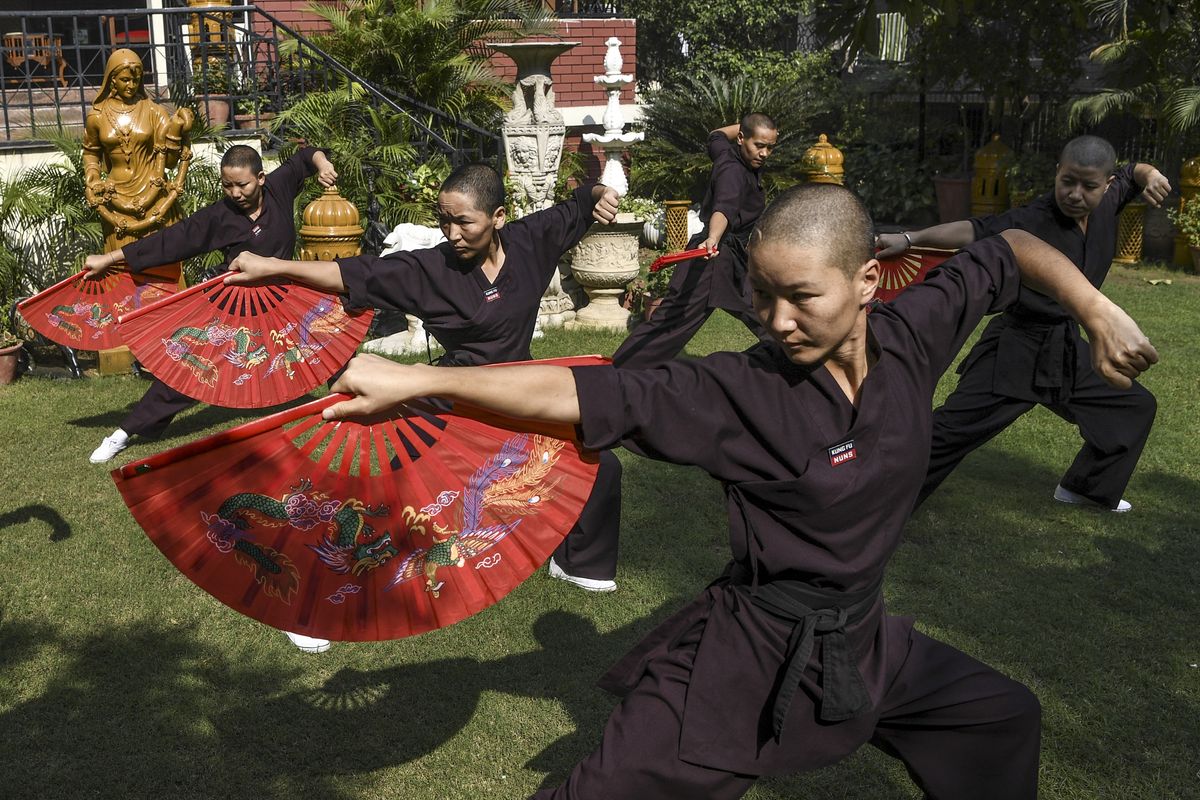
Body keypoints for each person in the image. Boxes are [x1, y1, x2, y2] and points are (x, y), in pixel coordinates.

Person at [309, 183, 1156, 798]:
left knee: (999, 718)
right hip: (749, 657)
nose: (777, 320)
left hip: (863, 639)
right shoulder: (742, 391)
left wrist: (1096, 308)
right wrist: (423, 379)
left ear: (867, 283)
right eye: (762, 295)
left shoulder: (912, 336)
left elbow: (1009, 249)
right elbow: (591, 392)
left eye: (802, 297)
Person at [225, 164, 626, 600]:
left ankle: (576, 563)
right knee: (409, 501)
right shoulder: (431, 269)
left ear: (498, 217)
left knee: (602, 465)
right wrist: (272, 266)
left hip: (522, 394)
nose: (452, 234)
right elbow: (354, 274)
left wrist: (599, 193)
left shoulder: (531, 240)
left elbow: (578, 205)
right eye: (444, 221)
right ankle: (333, 586)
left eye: (464, 222)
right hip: (452, 403)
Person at [876, 135, 1170, 512]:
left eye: (1088, 186)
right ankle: (873, 503)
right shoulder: (1031, 219)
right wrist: (909, 238)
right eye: (1067, 181)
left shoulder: (1111, 199)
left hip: (1065, 346)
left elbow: (1132, 172)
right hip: (1017, 348)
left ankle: (1087, 489)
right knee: (948, 434)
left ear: (1106, 185)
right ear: (1057, 173)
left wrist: (1151, 174)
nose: (1075, 194)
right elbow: (973, 230)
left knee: (1131, 406)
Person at [85, 144, 338, 466]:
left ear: (261, 178)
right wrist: (109, 258)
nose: (235, 193)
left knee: (332, 332)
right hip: (237, 301)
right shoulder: (220, 216)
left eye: (242, 184)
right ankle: (122, 434)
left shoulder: (279, 188)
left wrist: (322, 164)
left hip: (284, 295)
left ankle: (347, 399)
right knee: (190, 371)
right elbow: (170, 241)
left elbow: (306, 155)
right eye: (227, 185)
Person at [612, 114, 778, 369]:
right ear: (741, 139)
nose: (764, 153)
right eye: (759, 145)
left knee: (767, 311)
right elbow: (724, 208)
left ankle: (798, 365)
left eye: (770, 147)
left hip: (733, 258)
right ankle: (619, 372)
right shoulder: (733, 172)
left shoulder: (725, 153)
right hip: (713, 255)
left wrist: (750, 126)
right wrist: (713, 237)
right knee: (672, 322)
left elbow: (716, 135)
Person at [83, 48, 194, 250]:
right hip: (116, 199)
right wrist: (93, 175)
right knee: (121, 261)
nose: (131, 85)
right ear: (112, 79)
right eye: (125, 80)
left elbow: (169, 163)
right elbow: (91, 152)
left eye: (135, 80)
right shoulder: (96, 116)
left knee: (162, 260)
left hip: (154, 196)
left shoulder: (154, 112)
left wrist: (176, 129)